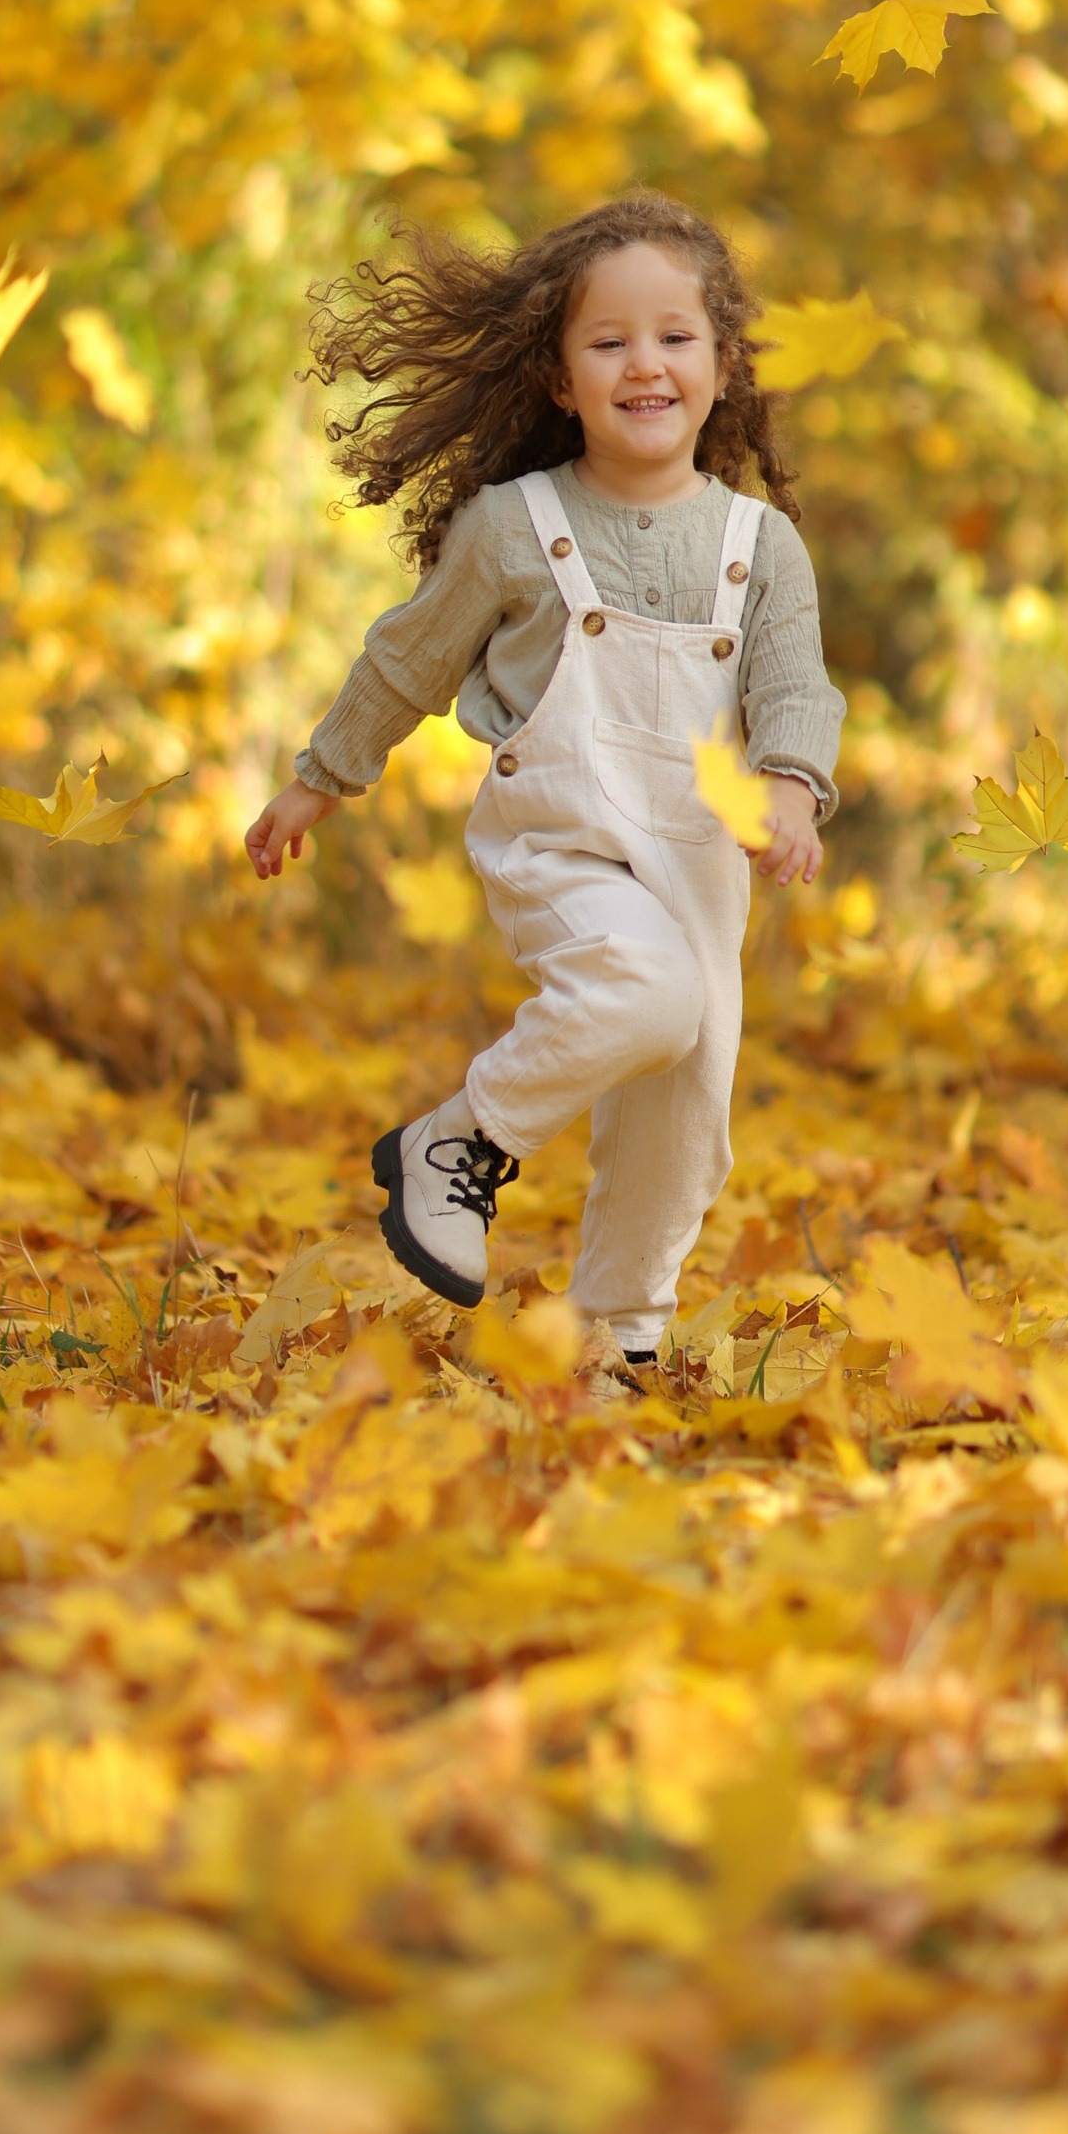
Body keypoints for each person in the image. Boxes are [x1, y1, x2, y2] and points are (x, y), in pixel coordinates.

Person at [244, 191, 845, 1375]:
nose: (645, 364)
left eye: (674, 337)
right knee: (641, 989)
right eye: (608, 341)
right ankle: (457, 1141)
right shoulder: (515, 528)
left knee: (687, 1111)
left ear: (722, 364)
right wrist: (321, 777)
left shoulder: (760, 545)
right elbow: (407, 658)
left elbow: (795, 690)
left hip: (698, 861)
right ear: (561, 379)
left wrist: (789, 784)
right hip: (561, 844)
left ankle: (621, 1336)